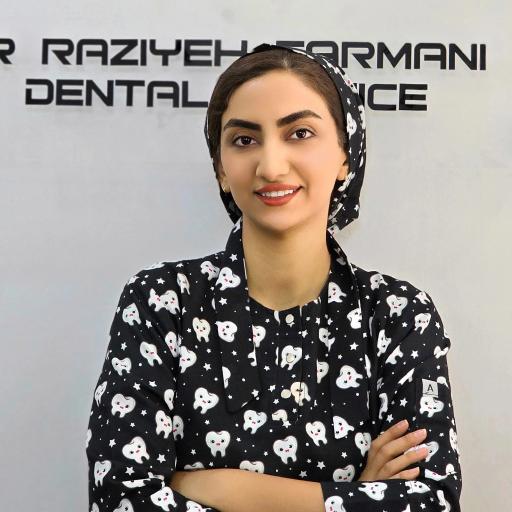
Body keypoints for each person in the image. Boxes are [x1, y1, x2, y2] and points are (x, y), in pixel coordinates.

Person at [86, 43, 462, 512]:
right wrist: (356, 498)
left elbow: (431, 503)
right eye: (244, 140)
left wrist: (220, 489)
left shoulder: (397, 315)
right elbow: (121, 497)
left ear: (345, 156)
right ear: (221, 170)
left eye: (300, 133)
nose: (271, 166)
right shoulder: (162, 303)